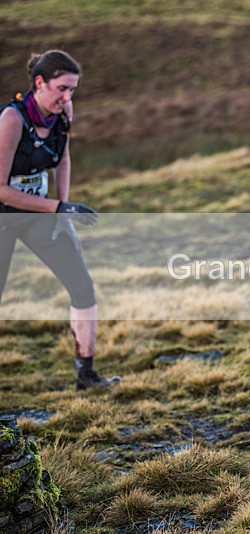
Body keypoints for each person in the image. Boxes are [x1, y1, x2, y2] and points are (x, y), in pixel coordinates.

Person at [0, 50, 120, 390]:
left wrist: (63, 207)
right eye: (61, 89)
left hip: (40, 213)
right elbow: (1, 190)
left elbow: (62, 158)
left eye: (73, 90)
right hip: (4, 217)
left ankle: (87, 375)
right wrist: (57, 208)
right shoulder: (11, 120)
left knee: (82, 287)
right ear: (40, 83)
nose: (67, 98)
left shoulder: (63, 112)